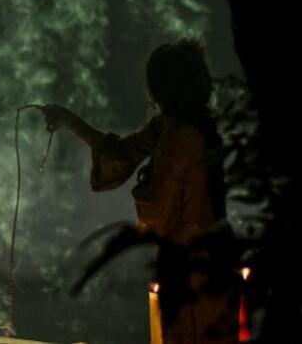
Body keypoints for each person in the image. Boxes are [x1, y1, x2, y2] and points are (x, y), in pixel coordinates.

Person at [41, 39, 231, 344]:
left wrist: (144, 187)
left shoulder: (182, 138)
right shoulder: (167, 127)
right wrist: (68, 119)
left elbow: (159, 214)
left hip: (195, 272)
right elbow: (119, 154)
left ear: (159, 89)